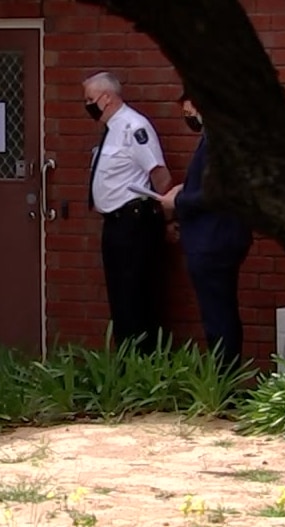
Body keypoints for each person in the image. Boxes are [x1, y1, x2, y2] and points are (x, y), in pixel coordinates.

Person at [158, 91, 253, 371]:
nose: (187, 114)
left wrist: (178, 201)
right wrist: (185, 190)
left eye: (186, 108)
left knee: (217, 317)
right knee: (221, 312)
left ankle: (223, 383)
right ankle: (225, 379)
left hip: (214, 240)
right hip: (225, 236)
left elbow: (215, 194)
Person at [82, 71, 173, 353]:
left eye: (89, 99)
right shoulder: (111, 130)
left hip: (134, 223)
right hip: (115, 224)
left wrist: (169, 218)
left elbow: (160, 175)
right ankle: (127, 366)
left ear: (106, 97)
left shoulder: (134, 127)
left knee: (135, 300)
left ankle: (142, 365)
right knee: (121, 301)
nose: (87, 105)